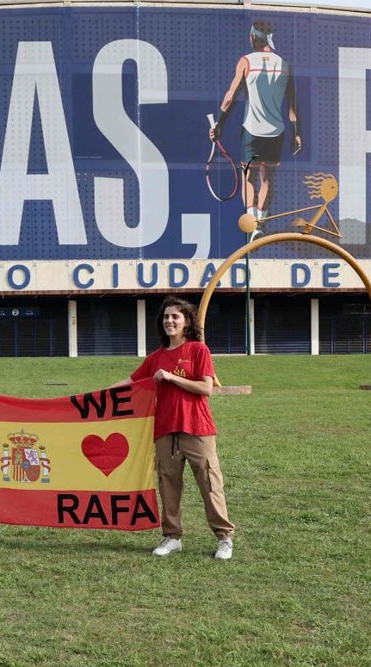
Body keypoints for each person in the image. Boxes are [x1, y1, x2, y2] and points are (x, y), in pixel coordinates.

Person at [124, 296, 235, 560]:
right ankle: (172, 537)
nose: (169, 321)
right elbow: (129, 383)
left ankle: (224, 538)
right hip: (165, 431)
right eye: (166, 317)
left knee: (210, 483)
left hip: (197, 429)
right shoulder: (156, 357)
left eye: (175, 316)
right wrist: (96, 397)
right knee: (168, 484)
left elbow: (206, 388)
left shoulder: (198, 350)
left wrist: (172, 377)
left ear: (186, 322)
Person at [209, 19, 301, 238]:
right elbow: (293, 107)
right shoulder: (285, 65)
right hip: (276, 133)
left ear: (254, 38)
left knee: (249, 179)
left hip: (252, 132)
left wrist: (219, 125)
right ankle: (261, 223)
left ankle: (252, 224)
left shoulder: (246, 62)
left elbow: (230, 97)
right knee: (267, 179)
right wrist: (297, 134)